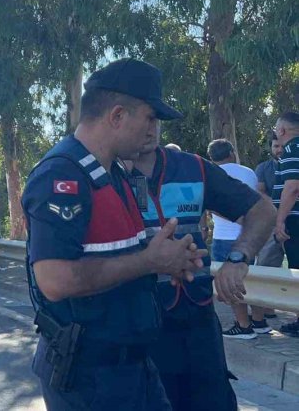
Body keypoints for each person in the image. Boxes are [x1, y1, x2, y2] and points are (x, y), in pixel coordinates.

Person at [24, 58, 206, 411]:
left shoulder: (114, 174)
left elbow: (118, 254)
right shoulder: (62, 176)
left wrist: (167, 260)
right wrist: (148, 261)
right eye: (150, 117)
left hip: (132, 369)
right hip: (90, 379)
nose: (154, 130)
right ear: (118, 116)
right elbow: (55, 280)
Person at [129, 130, 273, 411]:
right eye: (139, 114)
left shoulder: (192, 168)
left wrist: (238, 257)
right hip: (139, 324)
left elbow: (262, 209)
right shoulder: (104, 173)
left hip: (198, 320)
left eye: (152, 116)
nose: (147, 125)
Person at [205, 139, 273, 339]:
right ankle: (259, 321)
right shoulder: (249, 172)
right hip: (251, 236)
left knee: (231, 283)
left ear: (211, 157)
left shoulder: (211, 173)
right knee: (252, 279)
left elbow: (211, 206)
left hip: (224, 236)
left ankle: (243, 325)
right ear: (231, 152)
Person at [272, 112, 299, 335]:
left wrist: (279, 221)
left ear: (282, 130)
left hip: (295, 220)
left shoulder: (291, 149)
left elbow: (292, 188)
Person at [254, 132, 286, 320]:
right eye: (276, 146)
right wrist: (278, 209)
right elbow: (260, 192)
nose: (279, 150)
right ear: (271, 148)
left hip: (294, 222)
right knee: (266, 266)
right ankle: (267, 309)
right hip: (272, 224)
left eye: (282, 146)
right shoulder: (263, 168)